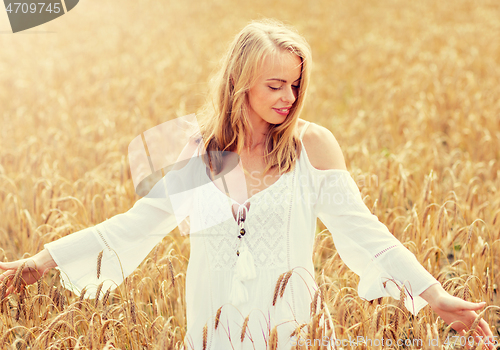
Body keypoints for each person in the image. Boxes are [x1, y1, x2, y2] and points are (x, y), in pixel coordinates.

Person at [0, 19, 495, 350]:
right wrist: (37, 263)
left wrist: (435, 296)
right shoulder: (199, 151)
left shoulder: (311, 147)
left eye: (296, 84)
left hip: (292, 331)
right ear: (240, 83)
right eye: (275, 85)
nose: (289, 97)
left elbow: (367, 233)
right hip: (213, 332)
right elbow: (137, 226)